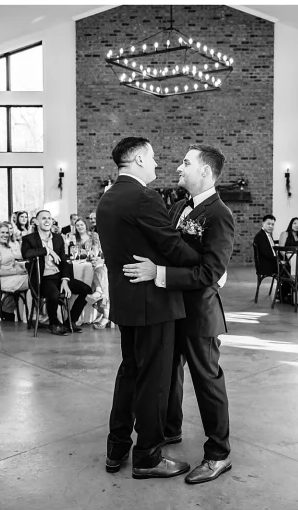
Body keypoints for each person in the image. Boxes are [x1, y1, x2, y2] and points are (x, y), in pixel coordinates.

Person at [124, 143, 234, 484]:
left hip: (199, 314)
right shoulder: (179, 207)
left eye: (186, 163)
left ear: (205, 171)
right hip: (170, 310)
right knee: (169, 374)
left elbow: (210, 272)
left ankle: (218, 454)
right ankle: (170, 429)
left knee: (207, 382)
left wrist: (158, 273)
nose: (178, 168)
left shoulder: (219, 215)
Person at [98, 136, 200, 480]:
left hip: (126, 303)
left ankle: (116, 448)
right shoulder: (144, 196)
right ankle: (147, 456)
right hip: (153, 303)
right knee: (155, 381)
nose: (157, 163)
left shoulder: (108, 197)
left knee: (129, 373)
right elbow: (172, 246)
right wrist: (206, 263)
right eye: (153, 157)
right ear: (139, 159)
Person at [21, 210, 91, 335]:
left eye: (49, 218)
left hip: (58, 276)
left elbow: (63, 261)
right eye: (43, 218)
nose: (47, 221)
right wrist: (47, 250)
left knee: (86, 289)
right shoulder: (29, 239)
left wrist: (65, 280)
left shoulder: (58, 238)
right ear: (36, 222)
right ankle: (53, 324)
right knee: (54, 294)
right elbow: (26, 254)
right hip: (42, 279)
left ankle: (70, 321)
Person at [0, 222, 28, 322]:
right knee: (35, 281)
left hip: (9, 277)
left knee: (33, 276)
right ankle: (33, 316)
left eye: (7, 232)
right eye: (2, 232)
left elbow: (12, 263)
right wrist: (16, 272)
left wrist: (22, 268)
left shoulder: (6, 246)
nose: (5, 235)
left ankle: (7, 310)